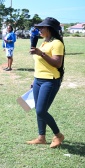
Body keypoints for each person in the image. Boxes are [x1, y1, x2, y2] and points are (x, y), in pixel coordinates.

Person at [28, 17, 65, 148]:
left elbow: (57, 63)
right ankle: (41, 137)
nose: (39, 30)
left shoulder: (57, 44)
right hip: (38, 80)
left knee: (41, 111)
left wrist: (41, 53)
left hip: (50, 81)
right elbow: (40, 64)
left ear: (49, 29)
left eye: (41, 28)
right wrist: (34, 80)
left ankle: (58, 135)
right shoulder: (44, 42)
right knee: (39, 109)